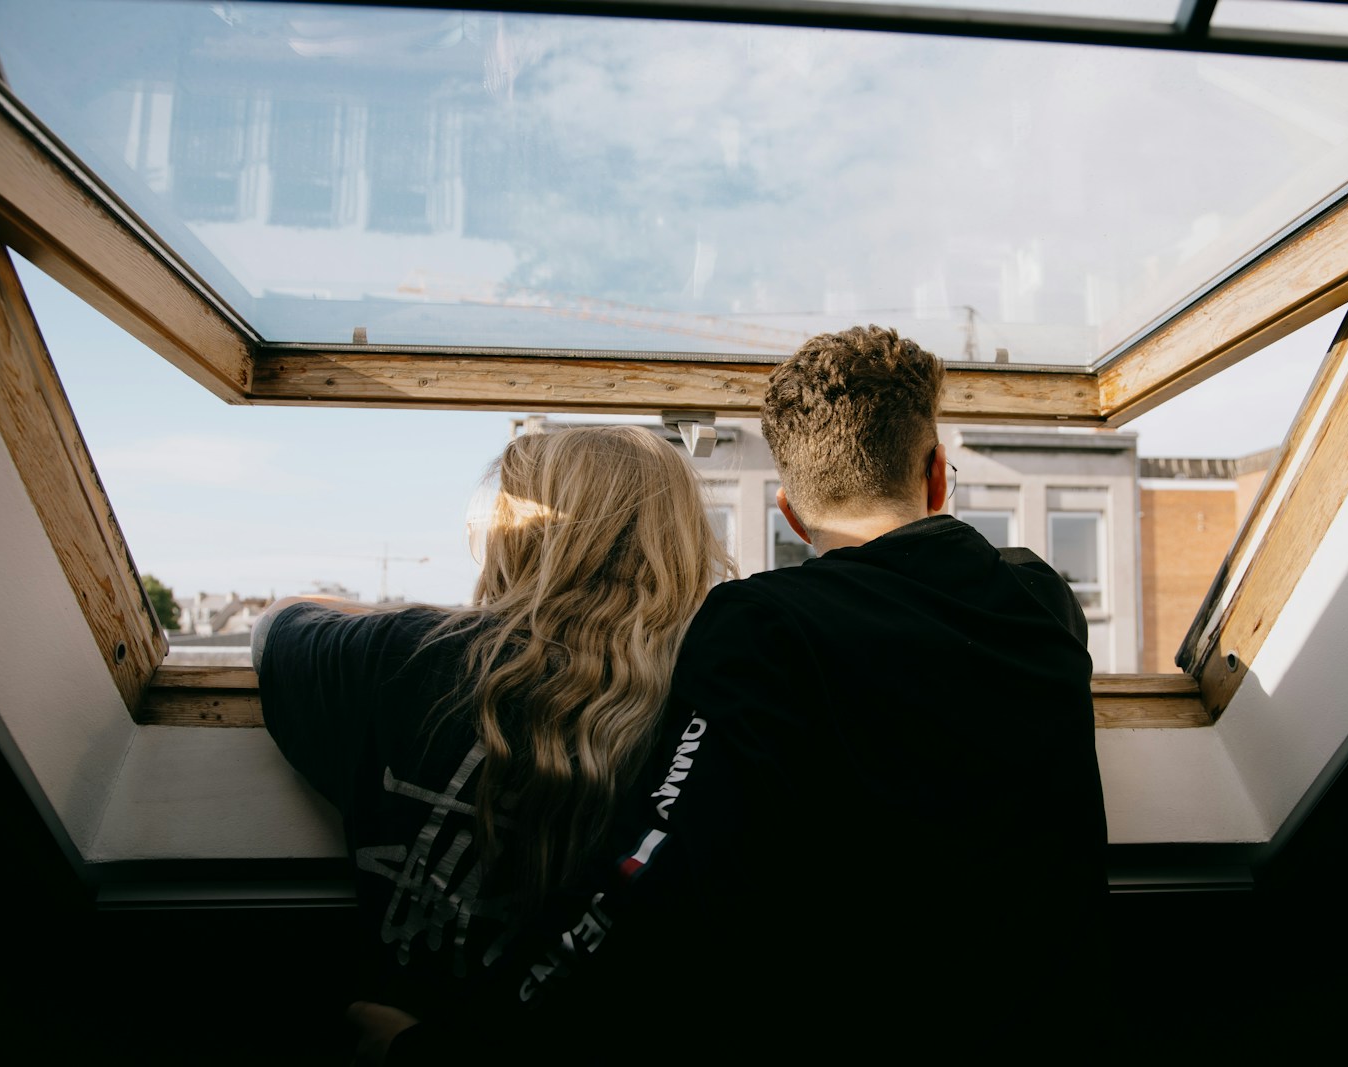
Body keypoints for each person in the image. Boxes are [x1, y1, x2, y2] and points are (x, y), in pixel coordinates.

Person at [363, 324, 1108, 1061]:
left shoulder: (763, 626)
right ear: (938, 474)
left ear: (788, 512)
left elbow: (648, 874)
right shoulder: (1043, 602)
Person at [251, 424, 732, 1032]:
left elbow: (274, 625)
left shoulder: (402, 655)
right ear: (681, 539)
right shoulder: (717, 692)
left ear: (512, 537)